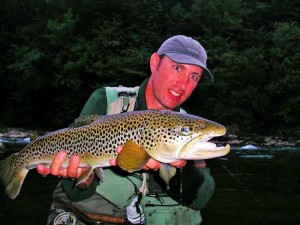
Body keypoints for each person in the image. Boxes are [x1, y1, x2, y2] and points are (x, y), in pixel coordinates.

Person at [37, 35, 215, 225]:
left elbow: (200, 199)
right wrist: (83, 177)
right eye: (177, 68)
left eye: (194, 77)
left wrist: (179, 167)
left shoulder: (189, 129)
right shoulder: (105, 102)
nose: (183, 84)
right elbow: (74, 193)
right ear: (155, 62)